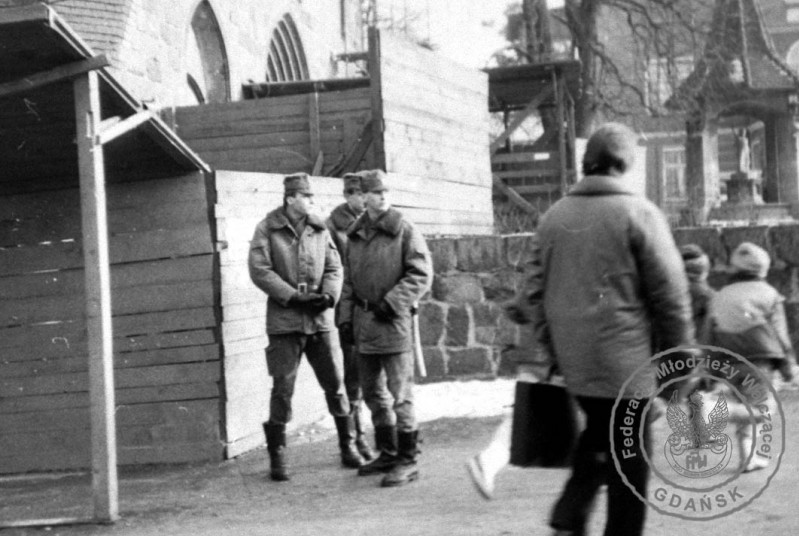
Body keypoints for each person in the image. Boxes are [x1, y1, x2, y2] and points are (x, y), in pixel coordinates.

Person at [518, 123, 694, 536]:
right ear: (625, 164)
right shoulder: (640, 213)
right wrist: (680, 366)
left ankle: (568, 516)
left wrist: (555, 350)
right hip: (628, 367)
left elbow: (531, 295)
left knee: (601, 433)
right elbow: (671, 298)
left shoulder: (553, 217)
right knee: (629, 464)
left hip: (577, 365)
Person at [248, 172, 364, 482]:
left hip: (320, 321)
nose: (312, 201)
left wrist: (328, 295)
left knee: (335, 384)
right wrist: (293, 297)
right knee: (282, 389)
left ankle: (348, 444)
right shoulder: (267, 229)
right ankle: (278, 455)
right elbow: (259, 270)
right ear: (291, 199)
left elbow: (335, 266)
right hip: (285, 323)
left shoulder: (319, 228)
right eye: (306, 196)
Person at [338, 169, 433, 488]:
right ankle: (389, 452)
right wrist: (345, 319)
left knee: (400, 395)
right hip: (364, 325)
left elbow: (421, 274)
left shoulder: (404, 229)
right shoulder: (355, 234)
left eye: (385, 191)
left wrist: (392, 303)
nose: (382, 196)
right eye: (376, 192)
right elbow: (349, 281)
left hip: (392, 322)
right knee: (372, 393)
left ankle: (408, 460)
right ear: (363, 196)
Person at [703, 242, 798, 472]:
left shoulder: (719, 296)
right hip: (758, 360)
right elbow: (780, 334)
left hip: (726, 360)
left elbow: (706, 333)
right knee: (762, 410)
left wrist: (708, 365)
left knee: (744, 406)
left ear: (733, 268)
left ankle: (748, 457)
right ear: (763, 269)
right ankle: (715, 411)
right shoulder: (770, 295)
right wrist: (789, 367)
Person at [325, 172, 388, 462]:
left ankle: (383, 438)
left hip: (377, 311)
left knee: (376, 378)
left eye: (364, 193)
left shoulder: (375, 222)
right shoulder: (333, 227)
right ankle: (355, 438)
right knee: (353, 377)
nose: (362, 199)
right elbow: (336, 271)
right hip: (350, 311)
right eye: (355, 193)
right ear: (347, 195)